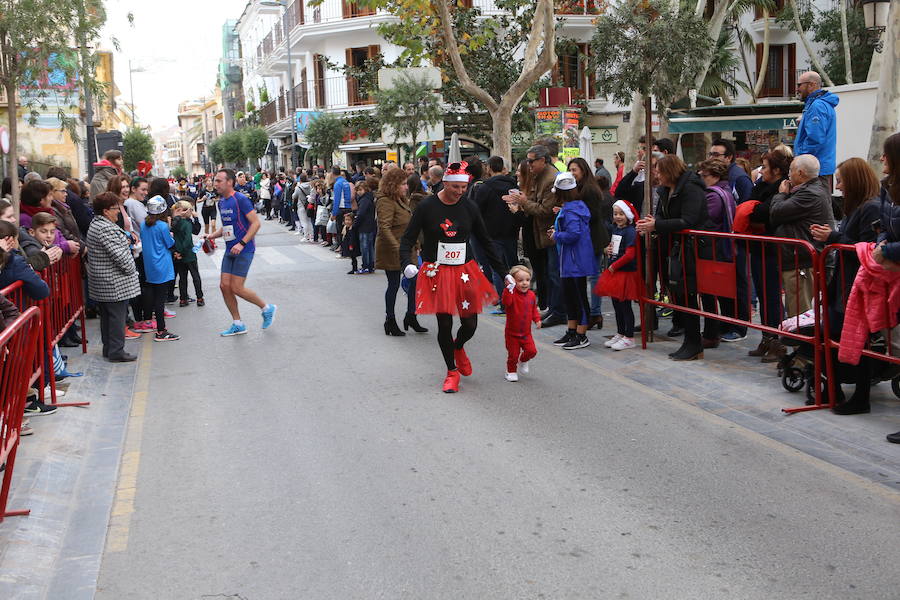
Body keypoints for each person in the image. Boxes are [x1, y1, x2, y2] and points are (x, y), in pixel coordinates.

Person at [399, 162, 507, 393]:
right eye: (455, 187)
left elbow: (485, 242)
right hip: (437, 271)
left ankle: (458, 347)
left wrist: (504, 273)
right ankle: (451, 371)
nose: (459, 192)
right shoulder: (427, 206)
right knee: (445, 323)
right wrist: (407, 264)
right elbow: (407, 239)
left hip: (465, 271)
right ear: (445, 183)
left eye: (463, 188)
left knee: (470, 324)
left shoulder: (469, 207)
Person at [807, 158, 882, 415]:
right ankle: (834, 389)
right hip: (844, 283)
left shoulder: (870, 208)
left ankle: (859, 397)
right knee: (832, 335)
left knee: (854, 340)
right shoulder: (860, 206)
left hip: (856, 285)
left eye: (840, 180)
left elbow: (865, 249)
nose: (838, 186)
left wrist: (833, 237)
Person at [637, 155, 713, 361]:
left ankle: (694, 343)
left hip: (692, 249)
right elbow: (663, 215)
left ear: (669, 171)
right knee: (680, 295)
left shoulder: (691, 188)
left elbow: (688, 220)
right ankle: (690, 341)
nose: (656, 175)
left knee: (689, 297)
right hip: (676, 250)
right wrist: (655, 223)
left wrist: (657, 226)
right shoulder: (666, 190)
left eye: (659, 171)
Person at [207, 169, 276, 336]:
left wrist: (242, 243)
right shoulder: (221, 202)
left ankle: (267, 308)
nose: (215, 184)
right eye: (215, 181)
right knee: (224, 286)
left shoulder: (241, 200)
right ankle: (237, 323)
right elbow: (227, 227)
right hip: (230, 249)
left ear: (229, 182)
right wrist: (212, 236)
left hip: (244, 249)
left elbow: (255, 223)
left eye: (218, 181)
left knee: (237, 287)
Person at [769, 154, 835, 318]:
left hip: (803, 263)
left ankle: (805, 344)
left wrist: (781, 194)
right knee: (798, 312)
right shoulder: (810, 189)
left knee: (802, 316)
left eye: (791, 171)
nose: (788, 175)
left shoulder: (810, 193)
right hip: (800, 260)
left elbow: (777, 213)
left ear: (800, 173)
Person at [743, 146, 793, 362]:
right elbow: (747, 206)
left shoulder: (781, 190)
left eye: (765, 167)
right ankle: (767, 337)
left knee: (772, 298)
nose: (761, 171)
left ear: (777, 171)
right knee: (764, 296)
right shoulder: (761, 186)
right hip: (757, 248)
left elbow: (764, 213)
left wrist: (755, 210)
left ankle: (778, 342)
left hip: (772, 250)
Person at [506, 145, 564, 327]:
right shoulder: (540, 176)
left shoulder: (550, 178)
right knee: (549, 272)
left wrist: (523, 202)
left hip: (549, 233)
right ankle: (554, 309)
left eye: (531, 160)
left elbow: (545, 210)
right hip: (542, 234)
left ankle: (558, 311)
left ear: (542, 160)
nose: (528, 164)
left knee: (553, 274)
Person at [86, 192, 140, 362]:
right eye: (115, 208)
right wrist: (132, 266)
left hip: (105, 281)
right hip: (113, 282)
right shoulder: (105, 228)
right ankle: (116, 351)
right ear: (105, 211)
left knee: (108, 317)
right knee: (116, 317)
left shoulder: (99, 224)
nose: (118, 211)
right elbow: (121, 258)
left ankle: (109, 348)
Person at [548, 171, 596, 350]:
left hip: (575, 261)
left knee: (578, 297)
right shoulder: (574, 207)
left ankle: (581, 334)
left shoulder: (571, 210)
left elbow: (573, 234)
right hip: (572, 260)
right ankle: (573, 330)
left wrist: (556, 234)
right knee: (571, 296)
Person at [696, 157, 739, 348]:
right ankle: (722, 327)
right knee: (721, 292)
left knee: (709, 293)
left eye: (704, 175)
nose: (702, 179)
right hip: (723, 248)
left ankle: (711, 333)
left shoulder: (713, 195)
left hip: (714, 249)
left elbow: (705, 219)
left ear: (715, 176)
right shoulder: (726, 191)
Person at [374, 167, 420, 336]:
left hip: (406, 248)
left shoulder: (401, 199)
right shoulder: (385, 200)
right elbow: (384, 228)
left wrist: (415, 243)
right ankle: (390, 320)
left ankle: (411, 315)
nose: (406, 187)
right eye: (403, 184)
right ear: (393, 185)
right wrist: (399, 249)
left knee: (415, 281)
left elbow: (408, 224)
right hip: (392, 249)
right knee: (393, 284)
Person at [875, 134, 900, 444]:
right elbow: (882, 226)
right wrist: (882, 245)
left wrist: (889, 251)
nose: (881, 160)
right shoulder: (887, 188)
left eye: (886, 154)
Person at [472, 155, 519, 311]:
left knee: (498, 268)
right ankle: (518, 299)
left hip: (492, 234)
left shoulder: (485, 187)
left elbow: (476, 210)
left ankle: (504, 303)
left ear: (489, 168)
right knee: (512, 266)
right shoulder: (514, 186)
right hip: (511, 232)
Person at [569, 157, 611, 330]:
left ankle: (595, 313)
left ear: (583, 171)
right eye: (570, 170)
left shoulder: (590, 189)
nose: (572, 173)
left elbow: (593, 215)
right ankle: (591, 313)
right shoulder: (576, 188)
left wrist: (573, 212)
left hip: (593, 238)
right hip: (584, 238)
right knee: (585, 276)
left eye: (574, 170)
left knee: (593, 276)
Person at [596, 200, 642, 350]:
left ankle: (629, 337)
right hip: (615, 271)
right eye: (615, 214)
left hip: (625, 272)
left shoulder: (630, 231)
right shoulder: (616, 229)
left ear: (627, 215)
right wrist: (607, 250)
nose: (618, 217)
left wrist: (613, 266)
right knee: (617, 304)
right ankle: (620, 332)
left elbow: (629, 255)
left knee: (625, 305)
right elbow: (614, 247)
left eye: (621, 214)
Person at [139, 196, 180, 342]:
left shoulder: (143, 224)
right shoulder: (162, 226)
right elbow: (169, 243)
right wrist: (171, 236)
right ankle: (161, 331)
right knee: (160, 300)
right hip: (162, 264)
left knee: (150, 294)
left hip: (149, 264)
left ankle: (148, 321)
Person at [794, 71, 839, 178]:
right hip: (818, 167)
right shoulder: (819, 105)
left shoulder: (817, 106)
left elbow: (815, 139)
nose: (797, 89)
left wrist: (800, 160)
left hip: (812, 170)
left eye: (799, 85)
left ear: (811, 85)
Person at [502, 264, 541, 382]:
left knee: (532, 351)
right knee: (513, 355)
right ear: (513, 281)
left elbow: (534, 309)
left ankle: (523, 360)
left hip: (526, 333)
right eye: (520, 280)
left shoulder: (531, 295)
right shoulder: (511, 294)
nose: (525, 283)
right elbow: (506, 303)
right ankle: (511, 371)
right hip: (512, 334)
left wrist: (537, 319)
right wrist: (509, 289)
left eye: (527, 280)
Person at [171, 200, 204, 308]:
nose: (192, 211)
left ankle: (183, 299)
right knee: (195, 276)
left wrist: (177, 252)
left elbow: (195, 231)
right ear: (187, 210)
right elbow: (188, 238)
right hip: (188, 253)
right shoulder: (187, 223)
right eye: (191, 209)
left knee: (182, 278)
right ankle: (199, 297)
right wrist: (196, 218)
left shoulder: (177, 221)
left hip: (178, 254)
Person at [708, 138, 753, 204]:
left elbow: (747, 207)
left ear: (729, 157)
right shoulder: (715, 174)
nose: (711, 158)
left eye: (716, 155)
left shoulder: (740, 178)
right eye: (710, 154)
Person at [354, 180, 376, 273]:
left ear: (365, 189)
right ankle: (370, 265)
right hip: (370, 225)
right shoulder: (369, 198)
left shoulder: (364, 200)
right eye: (357, 190)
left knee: (365, 247)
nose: (359, 192)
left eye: (360, 190)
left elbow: (361, 214)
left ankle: (366, 265)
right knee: (370, 246)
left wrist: (355, 224)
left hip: (364, 226)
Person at [330, 166, 353, 249]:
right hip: (348, 207)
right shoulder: (345, 182)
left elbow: (337, 200)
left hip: (341, 208)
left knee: (340, 230)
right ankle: (347, 248)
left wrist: (334, 213)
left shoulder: (338, 184)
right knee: (347, 229)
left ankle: (342, 248)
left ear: (332, 173)